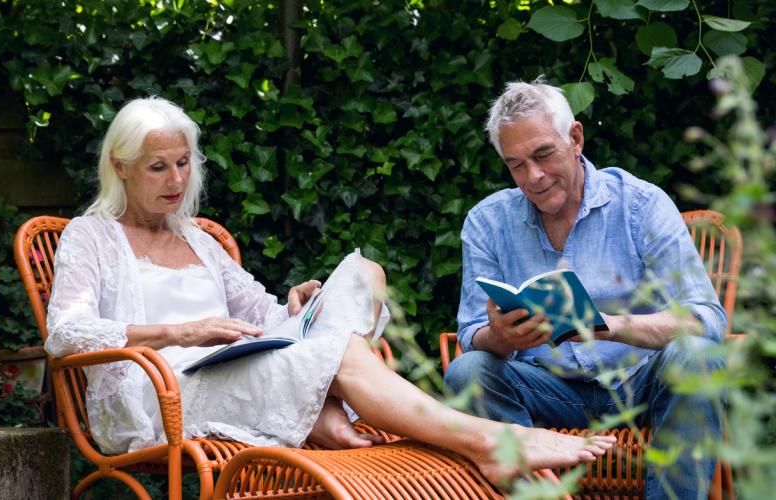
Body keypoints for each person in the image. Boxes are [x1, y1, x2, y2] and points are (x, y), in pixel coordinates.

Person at [44, 96, 615, 484]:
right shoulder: (91, 237)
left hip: (242, 369)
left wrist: (295, 307)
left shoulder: (199, 240)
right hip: (161, 391)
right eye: (157, 167)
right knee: (340, 353)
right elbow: (65, 335)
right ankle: (489, 442)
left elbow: (262, 315)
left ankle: (329, 410)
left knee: (364, 274)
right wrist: (181, 331)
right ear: (119, 167)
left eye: (184, 164)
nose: (176, 181)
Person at [444, 77, 727, 497]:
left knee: (698, 357)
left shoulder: (640, 204)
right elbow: (471, 336)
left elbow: (706, 319)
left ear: (575, 138)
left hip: (640, 383)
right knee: (467, 371)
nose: (533, 176)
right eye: (516, 164)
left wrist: (608, 325)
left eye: (543, 154)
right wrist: (498, 337)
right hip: (548, 388)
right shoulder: (487, 222)